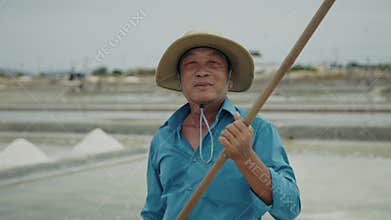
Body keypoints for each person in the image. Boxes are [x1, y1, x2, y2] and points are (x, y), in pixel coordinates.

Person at [141, 30, 301, 219]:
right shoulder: (163, 137)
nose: (201, 72)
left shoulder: (258, 129)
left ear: (230, 80)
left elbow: (290, 208)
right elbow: (153, 212)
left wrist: (246, 157)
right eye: (191, 64)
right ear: (180, 81)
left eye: (213, 63)